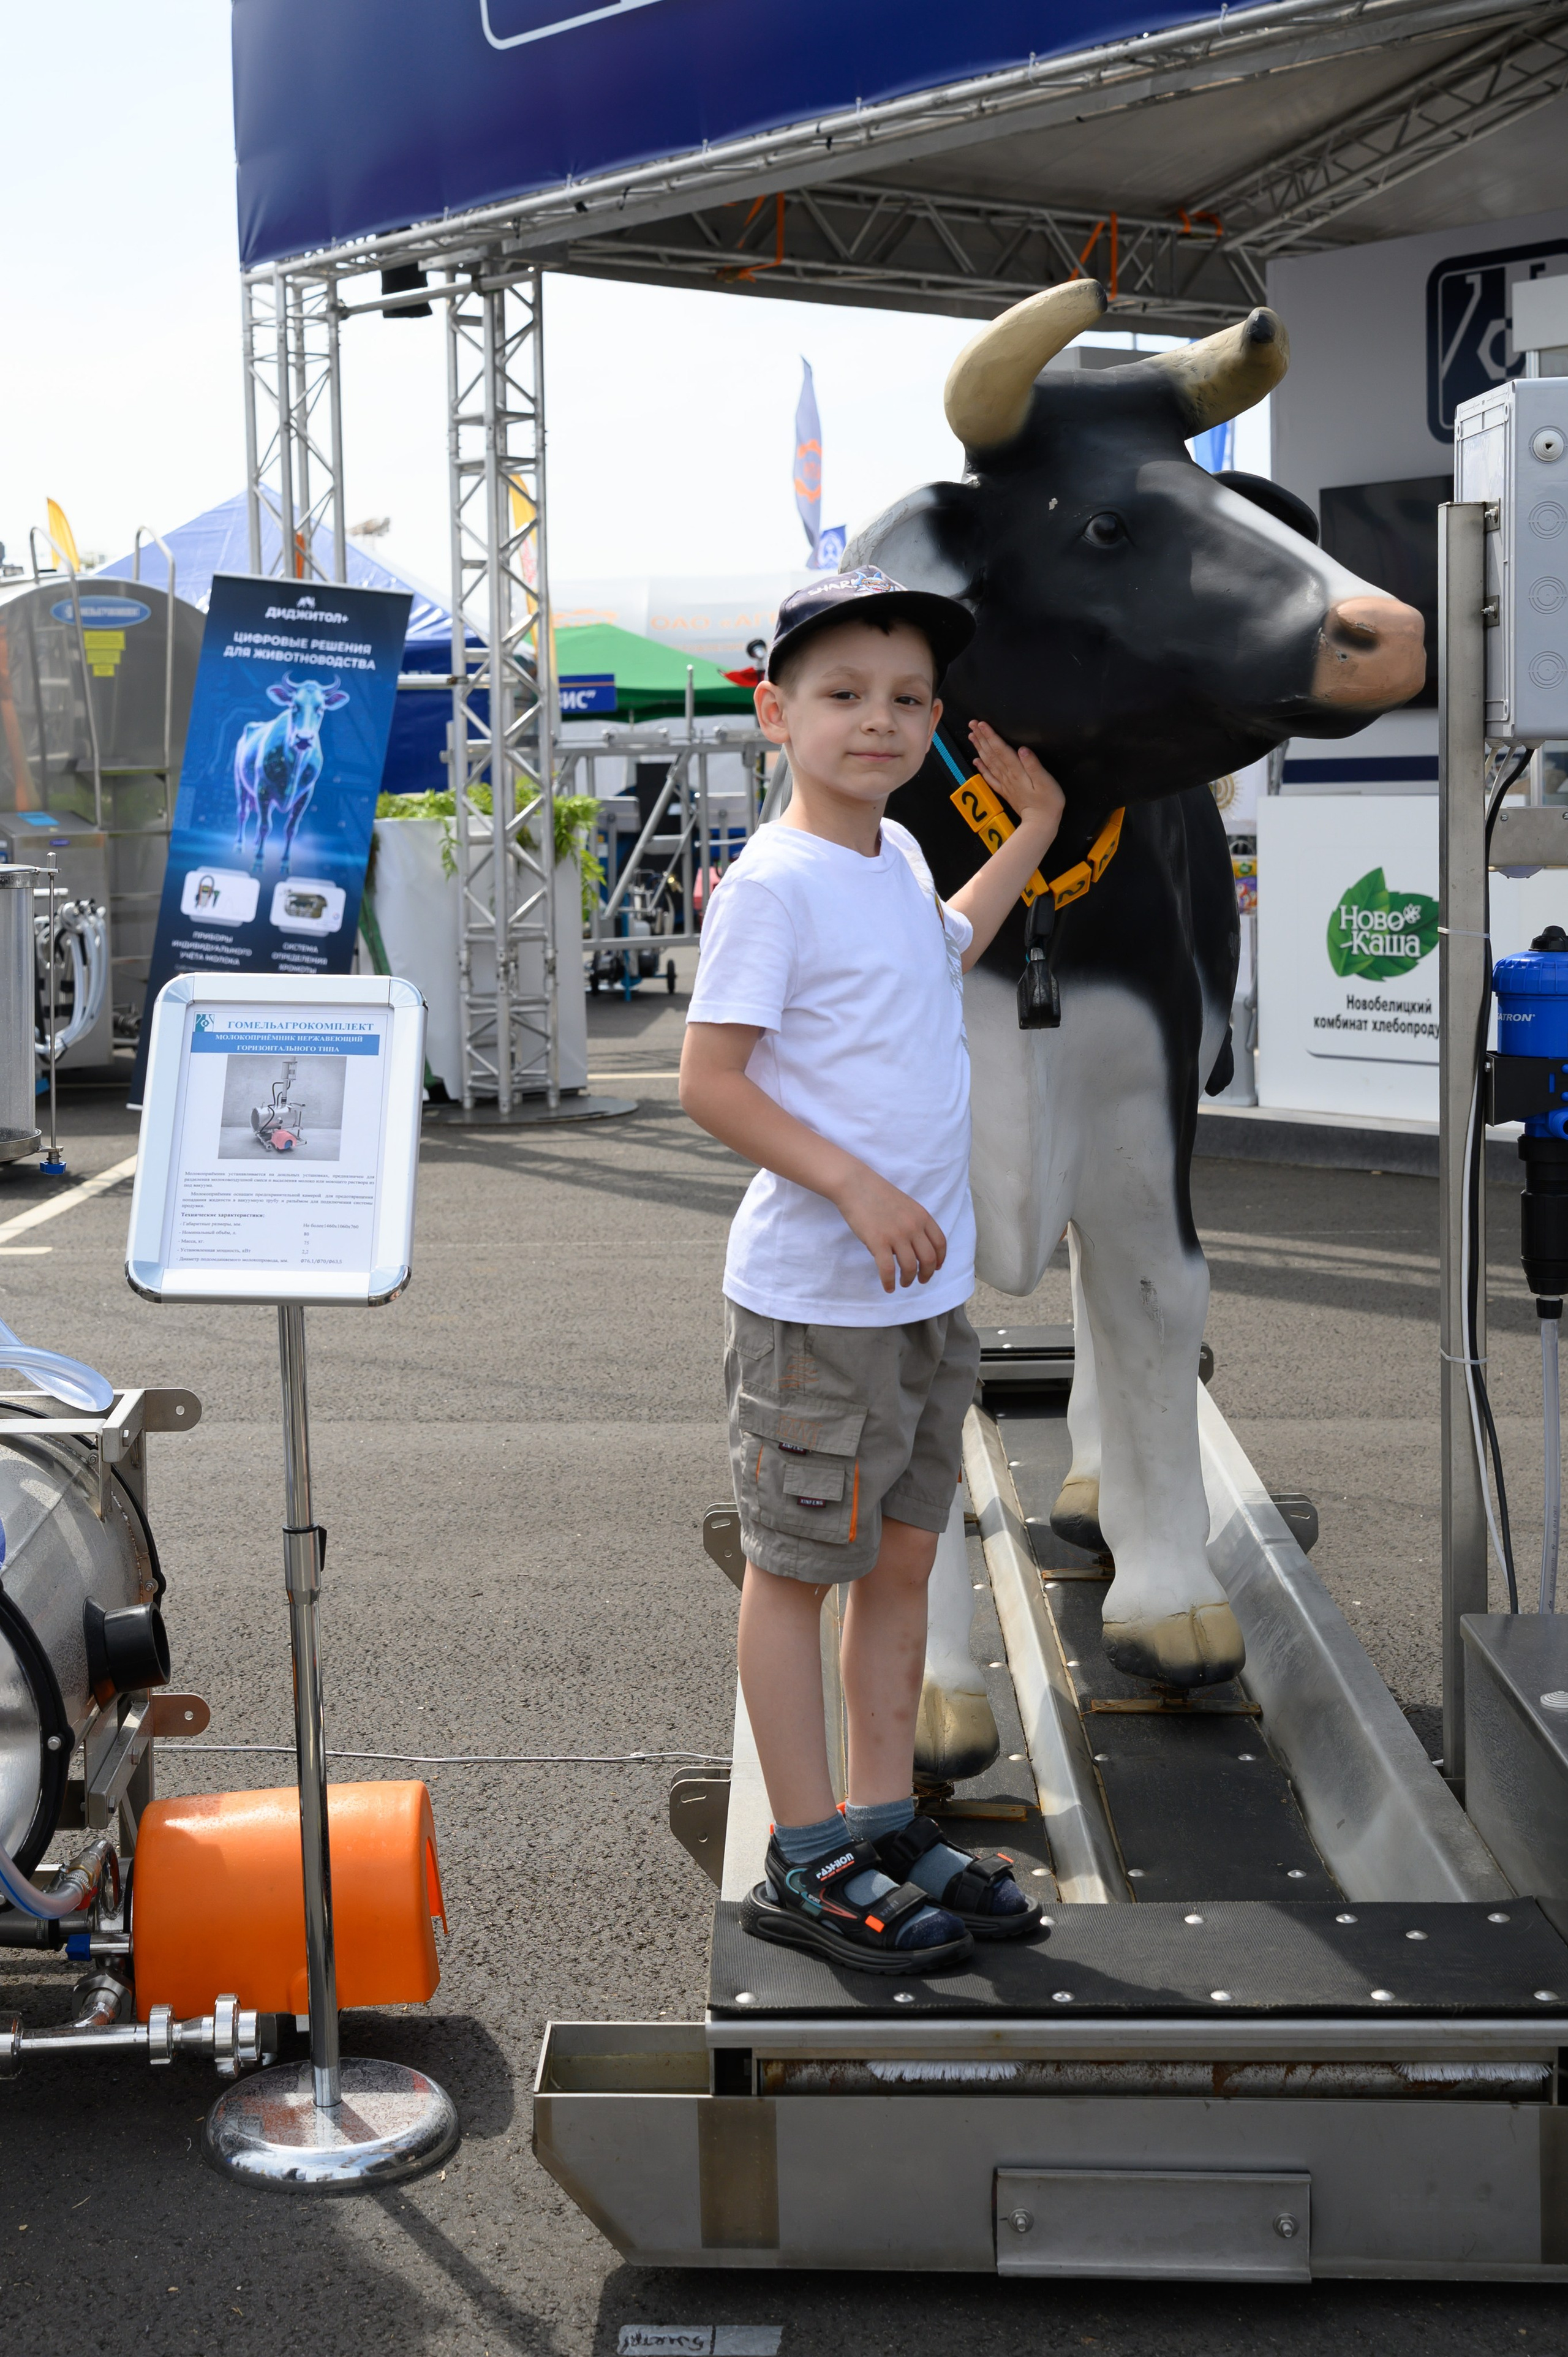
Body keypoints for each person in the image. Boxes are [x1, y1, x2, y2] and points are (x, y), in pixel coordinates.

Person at [679, 567, 1066, 1972]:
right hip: (814, 1306)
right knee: (795, 1573)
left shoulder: (893, 855)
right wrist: (848, 1180)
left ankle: (883, 1820)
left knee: (903, 1562)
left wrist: (1034, 829)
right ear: (774, 711)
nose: (879, 720)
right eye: (842, 693)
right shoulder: (770, 885)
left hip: (921, 1301)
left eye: (908, 697)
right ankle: (805, 1856)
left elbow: (948, 937)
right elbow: (709, 1081)